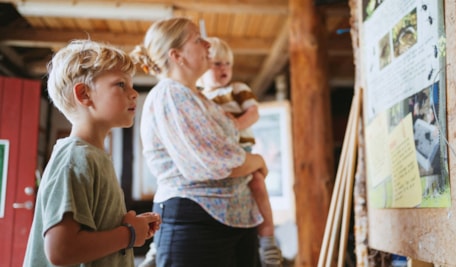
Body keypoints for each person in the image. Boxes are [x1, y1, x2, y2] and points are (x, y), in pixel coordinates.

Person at [130, 17, 268, 267]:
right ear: (177, 55)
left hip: (232, 219)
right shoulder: (171, 93)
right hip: (197, 221)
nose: (208, 45)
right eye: (198, 39)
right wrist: (257, 160)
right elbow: (214, 162)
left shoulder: (197, 97)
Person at [23, 39, 161, 267]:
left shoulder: (93, 156)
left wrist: (129, 227)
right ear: (84, 94)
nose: (134, 93)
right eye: (121, 85)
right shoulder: (76, 158)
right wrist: (128, 234)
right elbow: (61, 250)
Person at [200, 36, 283, 267]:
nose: (224, 68)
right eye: (217, 64)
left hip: (242, 148)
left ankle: (268, 241)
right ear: (202, 66)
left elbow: (254, 113)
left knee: (257, 183)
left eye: (228, 64)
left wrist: (235, 124)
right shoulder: (200, 97)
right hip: (216, 153)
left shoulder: (238, 89)